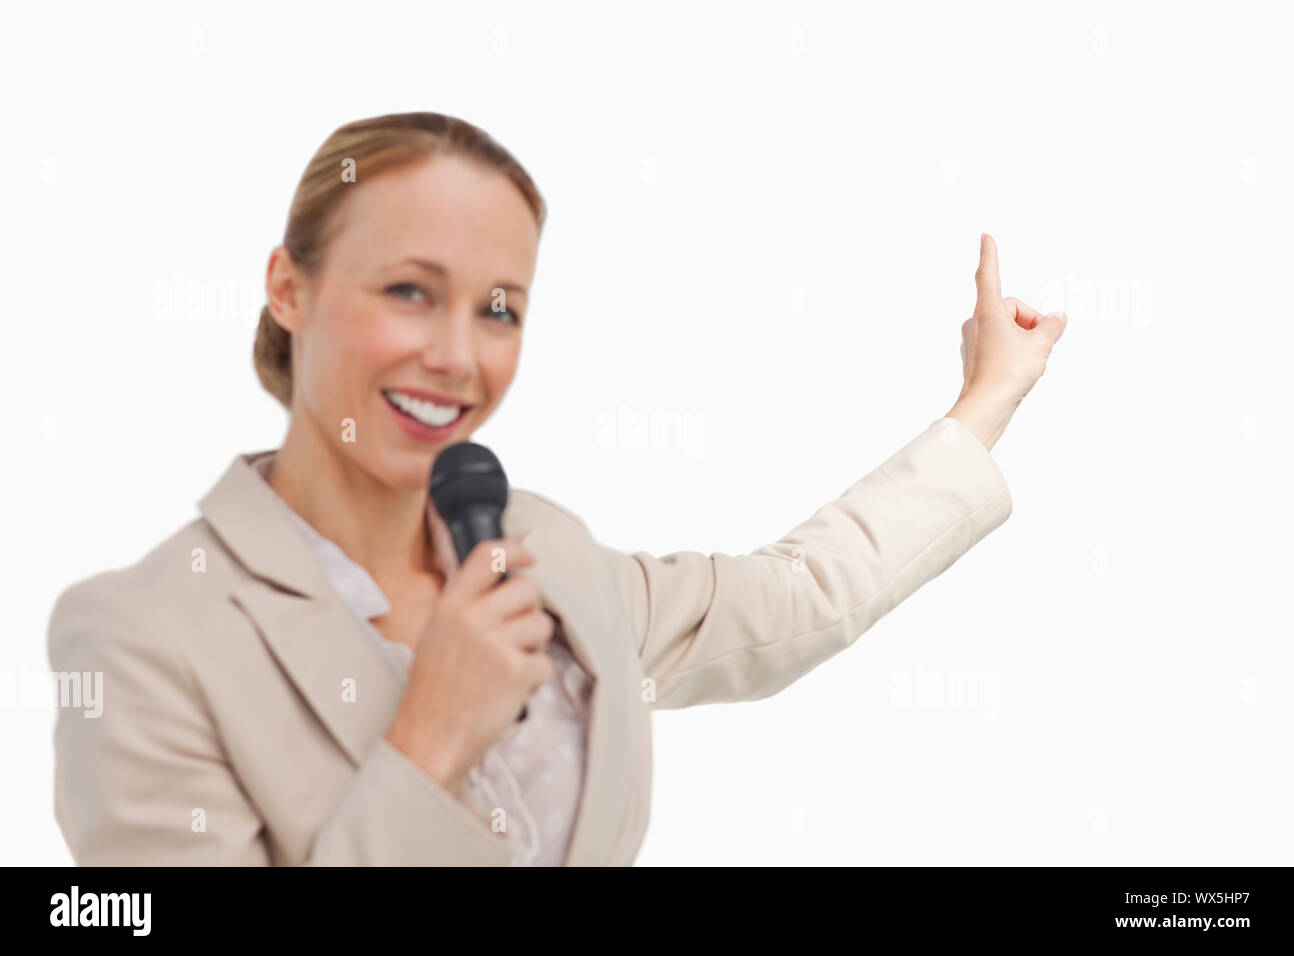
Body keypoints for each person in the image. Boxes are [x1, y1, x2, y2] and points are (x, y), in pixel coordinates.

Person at [47, 111, 1066, 866]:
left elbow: (799, 597)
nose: (455, 354)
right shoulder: (141, 636)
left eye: (498, 308)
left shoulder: (546, 557)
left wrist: (985, 399)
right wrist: (426, 739)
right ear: (289, 287)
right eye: (409, 290)